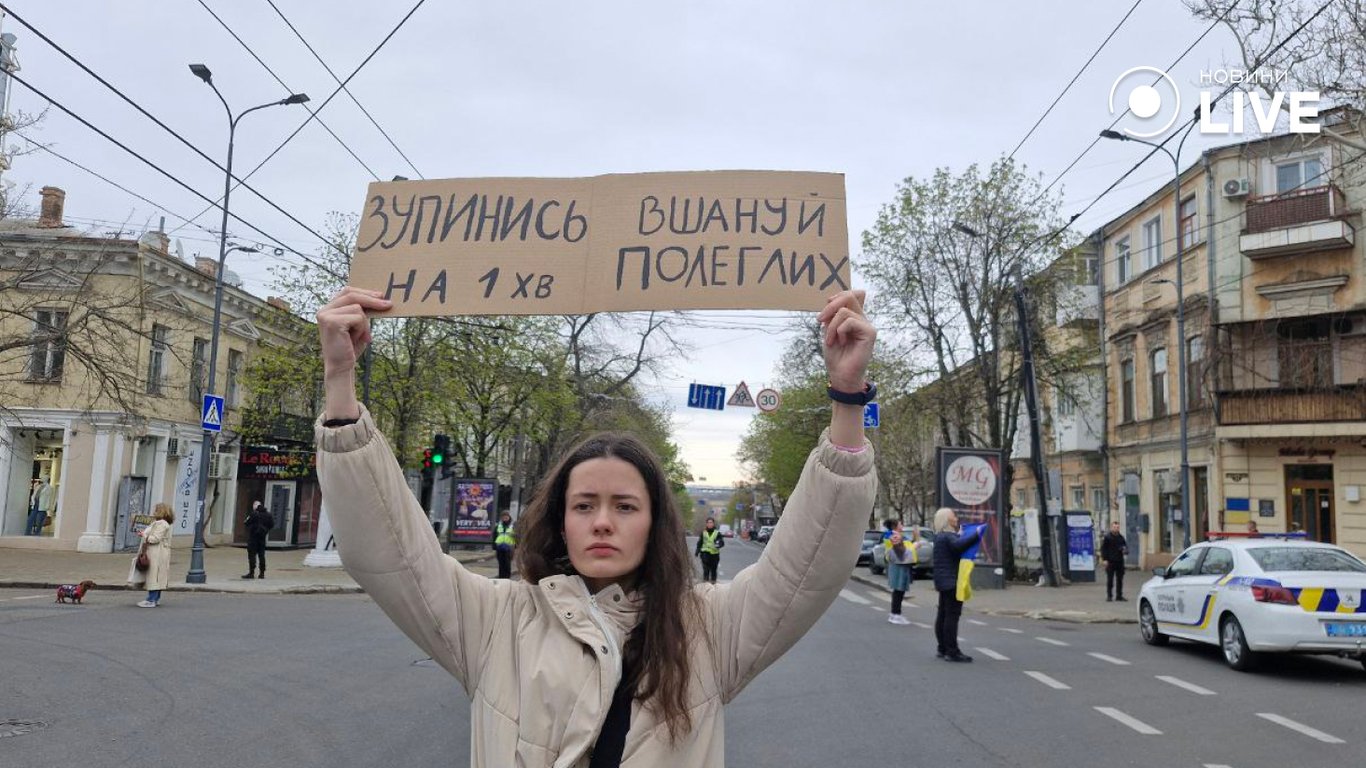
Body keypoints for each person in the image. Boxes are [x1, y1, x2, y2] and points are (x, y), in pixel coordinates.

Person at [313, 286, 877, 766]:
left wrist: (847, 398)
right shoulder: (493, 621)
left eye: (625, 506)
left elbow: (808, 565)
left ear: (654, 523)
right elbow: (389, 550)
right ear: (560, 520)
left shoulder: (708, 629)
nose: (602, 521)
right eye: (584, 505)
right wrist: (340, 384)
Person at [931, 508, 983, 663]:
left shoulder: (940, 536)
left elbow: (956, 544)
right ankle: (952, 651)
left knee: (943, 615)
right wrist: (977, 534)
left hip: (942, 580)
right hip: (951, 581)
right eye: (953, 515)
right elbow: (959, 546)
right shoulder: (948, 536)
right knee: (951, 617)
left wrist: (961, 535)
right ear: (947, 520)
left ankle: (942, 647)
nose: (956, 517)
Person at [133, 503, 174, 608]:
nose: (154, 511)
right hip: (157, 552)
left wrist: (144, 535)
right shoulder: (160, 523)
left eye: (156, 510)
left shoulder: (161, 524)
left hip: (157, 552)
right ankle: (155, 599)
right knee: (157, 576)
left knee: (154, 576)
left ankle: (151, 599)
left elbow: (155, 538)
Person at [883, 518, 913, 625]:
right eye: (900, 524)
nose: (902, 525)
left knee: (898, 591)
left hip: (897, 564)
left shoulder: (891, 535)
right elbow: (902, 552)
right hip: (899, 564)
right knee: (899, 590)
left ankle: (894, 614)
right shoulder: (895, 536)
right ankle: (896, 614)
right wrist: (914, 546)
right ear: (895, 526)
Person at [243, 500, 274, 579]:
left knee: (252, 555)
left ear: (255, 506)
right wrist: (266, 530)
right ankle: (262, 573)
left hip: (253, 537)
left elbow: (246, 522)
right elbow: (272, 525)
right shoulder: (268, 514)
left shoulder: (253, 514)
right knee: (262, 555)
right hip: (262, 538)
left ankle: (251, 572)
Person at [1099, 520, 1128, 602]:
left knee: (1120, 579)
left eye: (1117, 527)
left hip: (1119, 561)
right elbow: (1103, 549)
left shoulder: (1121, 538)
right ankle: (1109, 596)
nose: (1116, 529)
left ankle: (1119, 595)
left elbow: (1125, 547)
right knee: (1110, 579)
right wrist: (1104, 559)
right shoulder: (1108, 538)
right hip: (1110, 561)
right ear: (1112, 528)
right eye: (1114, 527)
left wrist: (1125, 550)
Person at [695, 516, 724, 584]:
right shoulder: (703, 533)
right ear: (706, 524)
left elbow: (722, 542)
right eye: (708, 523)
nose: (709, 524)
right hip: (705, 554)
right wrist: (697, 551)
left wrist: (719, 544)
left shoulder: (717, 533)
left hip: (714, 555)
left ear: (713, 524)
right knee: (706, 570)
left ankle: (713, 585)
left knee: (713, 570)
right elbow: (700, 542)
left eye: (711, 522)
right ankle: (706, 584)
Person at [494, 512, 516, 579]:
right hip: (499, 547)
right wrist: (494, 546)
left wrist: (516, 546)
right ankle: (501, 578)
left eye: (506, 517)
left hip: (509, 548)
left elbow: (518, 536)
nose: (505, 518)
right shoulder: (498, 525)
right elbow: (494, 535)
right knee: (501, 564)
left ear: (509, 517)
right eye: (503, 517)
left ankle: (507, 578)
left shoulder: (513, 526)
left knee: (507, 564)